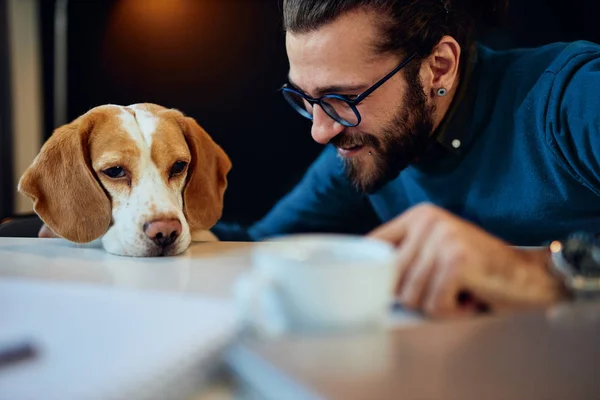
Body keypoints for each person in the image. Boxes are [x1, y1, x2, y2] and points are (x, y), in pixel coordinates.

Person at [40, 0, 600, 317]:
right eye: (305, 98)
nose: (320, 129)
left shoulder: (573, 101)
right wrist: (103, 230)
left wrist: (540, 271)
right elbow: (259, 240)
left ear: (439, 67)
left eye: (343, 97)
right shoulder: (360, 148)